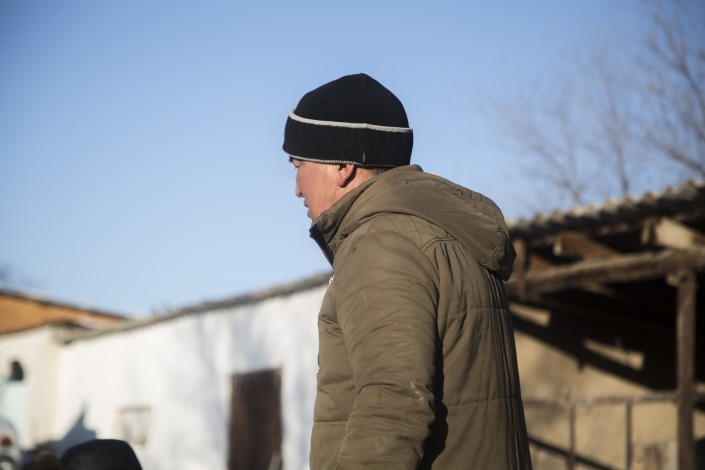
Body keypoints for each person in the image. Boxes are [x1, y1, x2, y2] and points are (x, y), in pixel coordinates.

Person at [283, 73, 533, 469]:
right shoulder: (446, 239)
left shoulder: (381, 244)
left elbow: (392, 408)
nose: (296, 187)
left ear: (343, 165)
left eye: (299, 164)